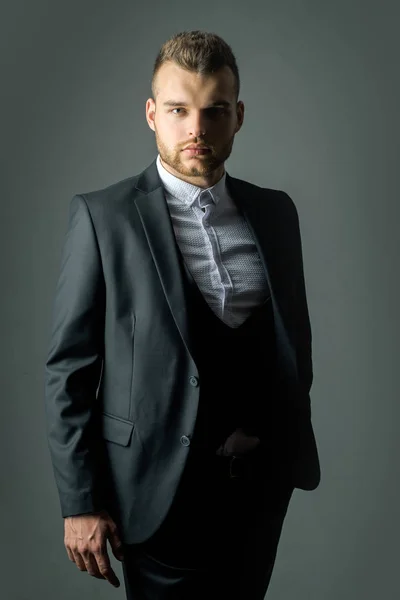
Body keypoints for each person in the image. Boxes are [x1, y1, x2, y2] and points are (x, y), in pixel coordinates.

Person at [44, 29, 321, 600]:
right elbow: (69, 370)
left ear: (238, 116)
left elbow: (291, 345)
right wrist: (79, 501)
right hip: (155, 493)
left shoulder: (275, 213)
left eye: (214, 111)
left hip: (257, 495)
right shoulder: (104, 218)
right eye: (178, 110)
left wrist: (279, 450)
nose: (196, 129)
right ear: (152, 114)